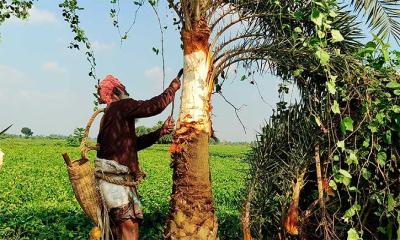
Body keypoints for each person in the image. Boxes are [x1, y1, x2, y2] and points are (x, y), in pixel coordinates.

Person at [95, 70, 182, 240]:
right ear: (115, 92)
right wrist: (172, 89)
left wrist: (160, 132)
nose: (126, 89)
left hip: (113, 182)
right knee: (129, 228)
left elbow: (133, 145)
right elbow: (153, 106)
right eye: (122, 87)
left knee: (121, 230)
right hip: (116, 184)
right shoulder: (121, 106)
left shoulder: (111, 115)